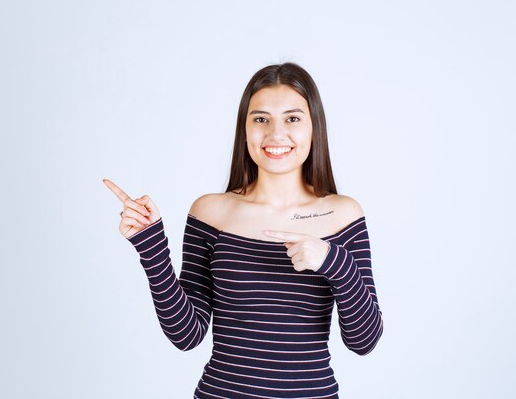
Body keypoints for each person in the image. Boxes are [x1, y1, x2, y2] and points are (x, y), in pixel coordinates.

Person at [103, 62, 384, 398]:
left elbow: (364, 341)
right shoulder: (211, 212)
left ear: (313, 127)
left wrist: (333, 262)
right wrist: (151, 247)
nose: (276, 134)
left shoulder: (342, 214)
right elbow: (187, 335)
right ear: (245, 129)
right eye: (261, 119)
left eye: (292, 118)